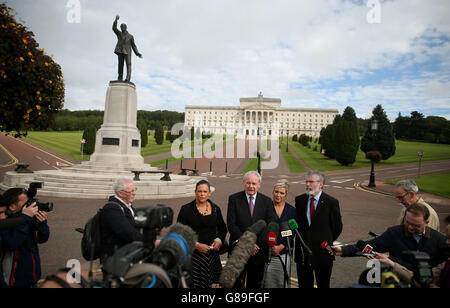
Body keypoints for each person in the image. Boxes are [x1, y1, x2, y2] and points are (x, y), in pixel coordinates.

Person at [333, 203, 448, 271]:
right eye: (408, 222)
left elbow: (442, 267)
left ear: (427, 222)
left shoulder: (440, 240)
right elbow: (371, 246)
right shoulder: (394, 233)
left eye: (416, 225)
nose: (410, 228)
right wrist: (344, 250)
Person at [294, 170, 343, 288]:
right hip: (303, 254)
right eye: (306, 182)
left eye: (311, 182)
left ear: (320, 184)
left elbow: (337, 227)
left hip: (323, 254)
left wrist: (324, 240)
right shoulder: (300, 200)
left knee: (323, 285)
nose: (307, 185)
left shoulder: (331, 202)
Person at [227, 171, 275, 288]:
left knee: (255, 284)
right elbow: (231, 224)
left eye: (254, 183)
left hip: (258, 252)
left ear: (259, 185)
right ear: (244, 183)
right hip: (239, 249)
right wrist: (248, 243)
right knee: (235, 284)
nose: (251, 186)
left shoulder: (267, 201)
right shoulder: (234, 199)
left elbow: (270, 226)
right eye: (248, 183)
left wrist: (256, 244)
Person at [177, 180, 227, 288]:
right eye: (199, 191)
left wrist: (218, 241)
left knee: (215, 284)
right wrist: (196, 245)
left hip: (212, 256)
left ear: (209, 193)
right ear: (195, 192)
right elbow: (180, 232)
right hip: (194, 256)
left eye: (205, 191)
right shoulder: (186, 209)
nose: (202, 194)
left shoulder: (215, 209)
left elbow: (223, 228)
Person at [1, 188, 49, 288]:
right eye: (27, 203)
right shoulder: (6, 223)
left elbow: (42, 239)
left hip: (33, 280)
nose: (31, 206)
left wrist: (42, 224)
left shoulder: (27, 220)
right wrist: (25, 219)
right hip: (14, 282)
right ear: (12, 207)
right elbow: (11, 244)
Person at [99, 176, 142, 260]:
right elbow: (128, 233)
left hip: (127, 253)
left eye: (134, 190)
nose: (134, 193)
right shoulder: (112, 209)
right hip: (115, 259)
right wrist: (149, 242)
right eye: (131, 191)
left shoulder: (127, 205)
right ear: (120, 193)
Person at [263, 180, 296, 288]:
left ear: (286, 194)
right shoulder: (265, 208)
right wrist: (271, 248)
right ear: (273, 192)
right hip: (267, 254)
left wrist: (281, 247)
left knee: (282, 282)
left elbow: (293, 233)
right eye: (276, 192)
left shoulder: (292, 211)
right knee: (267, 283)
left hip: (284, 254)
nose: (278, 195)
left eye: (281, 193)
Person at [113, 15, 143, 82]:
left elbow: (133, 45)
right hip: (120, 51)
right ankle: (120, 77)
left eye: (123, 27)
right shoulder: (119, 34)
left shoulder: (130, 36)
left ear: (126, 27)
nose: (122, 28)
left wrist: (137, 53)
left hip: (128, 52)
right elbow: (114, 28)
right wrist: (116, 20)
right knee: (120, 65)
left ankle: (128, 78)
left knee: (128, 65)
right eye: (121, 27)